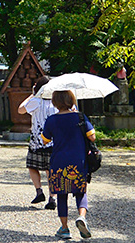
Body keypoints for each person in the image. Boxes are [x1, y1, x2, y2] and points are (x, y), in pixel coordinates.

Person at [41, 90, 96, 240]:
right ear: (71, 100)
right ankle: (82, 217)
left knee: (61, 195)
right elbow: (92, 137)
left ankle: (65, 228)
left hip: (58, 161)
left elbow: (45, 140)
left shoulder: (51, 120)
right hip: (78, 161)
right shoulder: (79, 117)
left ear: (55, 102)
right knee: (80, 191)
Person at [17, 75, 57, 209]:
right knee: (51, 171)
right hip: (53, 142)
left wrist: (31, 95)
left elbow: (20, 109)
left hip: (37, 142)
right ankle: (52, 198)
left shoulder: (36, 101)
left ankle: (39, 191)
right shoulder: (57, 102)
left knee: (32, 166)